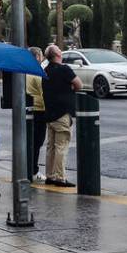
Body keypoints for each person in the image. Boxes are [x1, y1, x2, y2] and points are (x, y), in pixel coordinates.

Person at [42, 44, 81, 187]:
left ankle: (50, 175)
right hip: (63, 113)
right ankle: (60, 177)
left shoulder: (46, 70)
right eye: (59, 49)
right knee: (61, 146)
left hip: (50, 113)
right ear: (57, 54)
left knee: (50, 146)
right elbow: (79, 84)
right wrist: (70, 87)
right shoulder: (65, 69)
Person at [26, 47, 47, 183]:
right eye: (41, 55)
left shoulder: (23, 70)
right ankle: (33, 170)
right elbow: (43, 90)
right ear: (37, 57)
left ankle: (27, 168)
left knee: (28, 141)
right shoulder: (37, 71)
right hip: (39, 109)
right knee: (37, 142)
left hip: (26, 109)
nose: (43, 58)